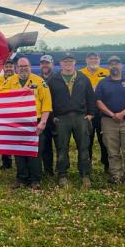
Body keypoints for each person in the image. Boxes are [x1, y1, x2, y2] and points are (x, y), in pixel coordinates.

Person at [0, 57, 52, 190]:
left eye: (26, 66)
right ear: (16, 68)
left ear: (30, 66)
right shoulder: (10, 81)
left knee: (34, 152)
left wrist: (43, 122)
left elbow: (46, 104)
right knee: (19, 151)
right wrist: (20, 92)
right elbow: (1, 97)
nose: (23, 68)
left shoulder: (39, 81)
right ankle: (22, 178)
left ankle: (35, 179)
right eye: (20, 66)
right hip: (17, 123)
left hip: (35, 122)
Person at [47, 52, 97, 188]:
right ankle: (62, 174)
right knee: (62, 148)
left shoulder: (83, 78)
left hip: (80, 117)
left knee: (84, 147)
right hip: (61, 118)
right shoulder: (53, 79)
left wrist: (91, 114)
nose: (68, 64)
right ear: (60, 63)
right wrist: (52, 117)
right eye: (65, 61)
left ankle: (85, 175)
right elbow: (47, 100)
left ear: (75, 63)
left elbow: (91, 97)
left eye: (70, 61)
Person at [95, 56, 125, 184]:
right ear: (108, 67)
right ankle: (116, 176)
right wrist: (112, 114)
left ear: (121, 65)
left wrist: (122, 113)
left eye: (117, 64)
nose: (114, 66)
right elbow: (98, 101)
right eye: (111, 64)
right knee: (112, 151)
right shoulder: (103, 83)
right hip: (109, 121)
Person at [79, 52, 110, 173]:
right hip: (87, 112)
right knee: (87, 141)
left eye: (95, 58)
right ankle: (87, 165)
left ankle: (107, 165)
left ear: (99, 59)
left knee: (105, 140)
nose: (93, 60)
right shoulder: (80, 73)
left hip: (103, 112)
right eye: (90, 58)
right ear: (86, 60)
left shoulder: (106, 73)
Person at [0, 59, 16, 169]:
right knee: (5, 137)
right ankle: (6, 163)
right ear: (3, 68)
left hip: (14, 113)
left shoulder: (18, 79)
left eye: (11, 66)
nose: (9, 68)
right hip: (2, 115)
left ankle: (17, 160)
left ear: (14, 67)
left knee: (14, 138)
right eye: (7, 66)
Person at [39, 54, 57, 176]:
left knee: (61, 145)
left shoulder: (58, 78)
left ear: (52, 64)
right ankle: (48, 170)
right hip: (43, 117)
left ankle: (61, 171)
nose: (45, 65)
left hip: (56, 117)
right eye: (43, 63)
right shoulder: (37, 79)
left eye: (47, 63)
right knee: (45, 145)